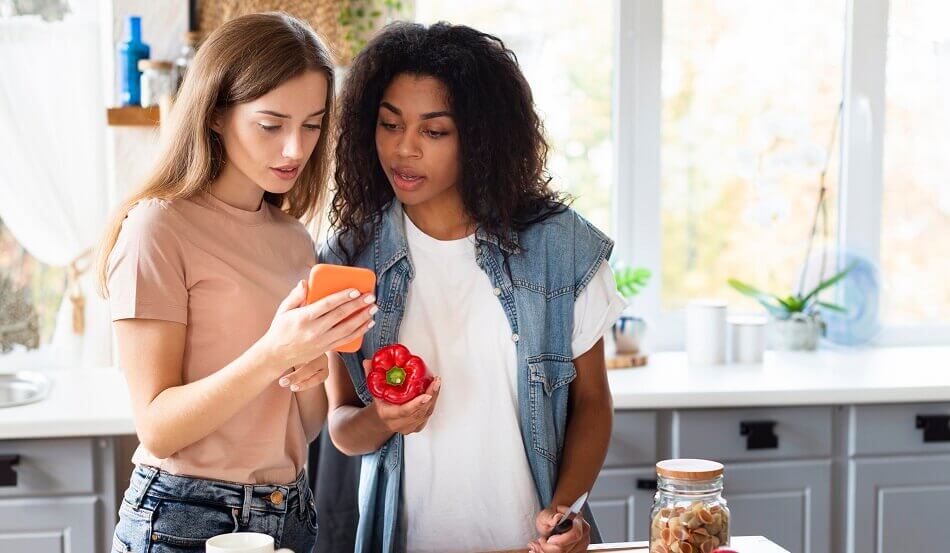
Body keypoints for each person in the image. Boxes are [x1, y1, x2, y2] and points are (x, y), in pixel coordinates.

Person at [321, 21, 626, 553]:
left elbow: (594, 402)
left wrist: (567, 512)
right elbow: (342, 428)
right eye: (390, 125)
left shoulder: (561, 251)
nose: (404, 149)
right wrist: (381, 418)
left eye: (433, 132)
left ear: (482, 138)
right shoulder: (349, 261)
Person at [97, 13, 376, 553]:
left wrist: (309, 368)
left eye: (313, 124)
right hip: (185, 516)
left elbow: (307, 426)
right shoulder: (158, 227)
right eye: (271, 125)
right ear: (217, 115)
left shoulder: (295, 239)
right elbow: (158, 427)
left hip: (290, 509)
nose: (295, 149)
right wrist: (273, 353)